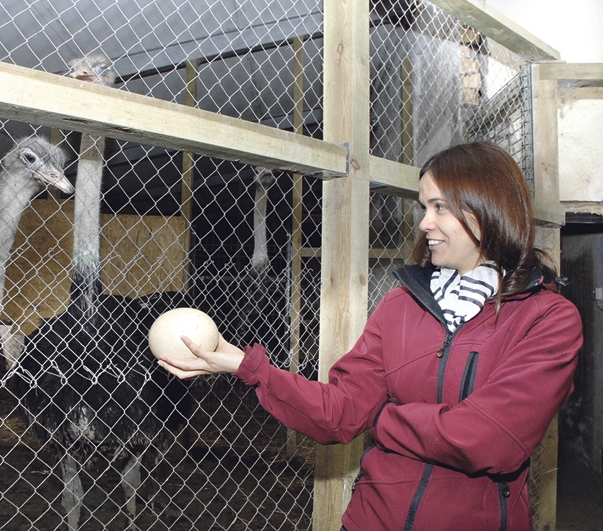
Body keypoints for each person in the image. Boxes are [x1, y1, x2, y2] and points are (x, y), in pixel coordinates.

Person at [158, 141, 583, 531]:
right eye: (423, 208)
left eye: (439, 208)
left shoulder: (547, 319)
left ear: (486, 209)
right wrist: (246, 367)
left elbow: (489, 440)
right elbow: (341, 412)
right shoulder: (401, 305)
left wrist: (381, 419)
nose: (424, 224)